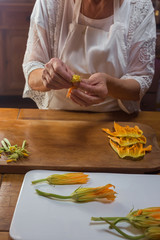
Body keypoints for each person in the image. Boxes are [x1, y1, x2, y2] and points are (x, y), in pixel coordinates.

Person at [22, 0, 156, 114]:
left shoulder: (139, 5)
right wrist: (47, 75)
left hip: (114, 120)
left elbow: (141, 80)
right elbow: (32, 72)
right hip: (57, 116)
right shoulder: (49, 3)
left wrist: (109, 85)